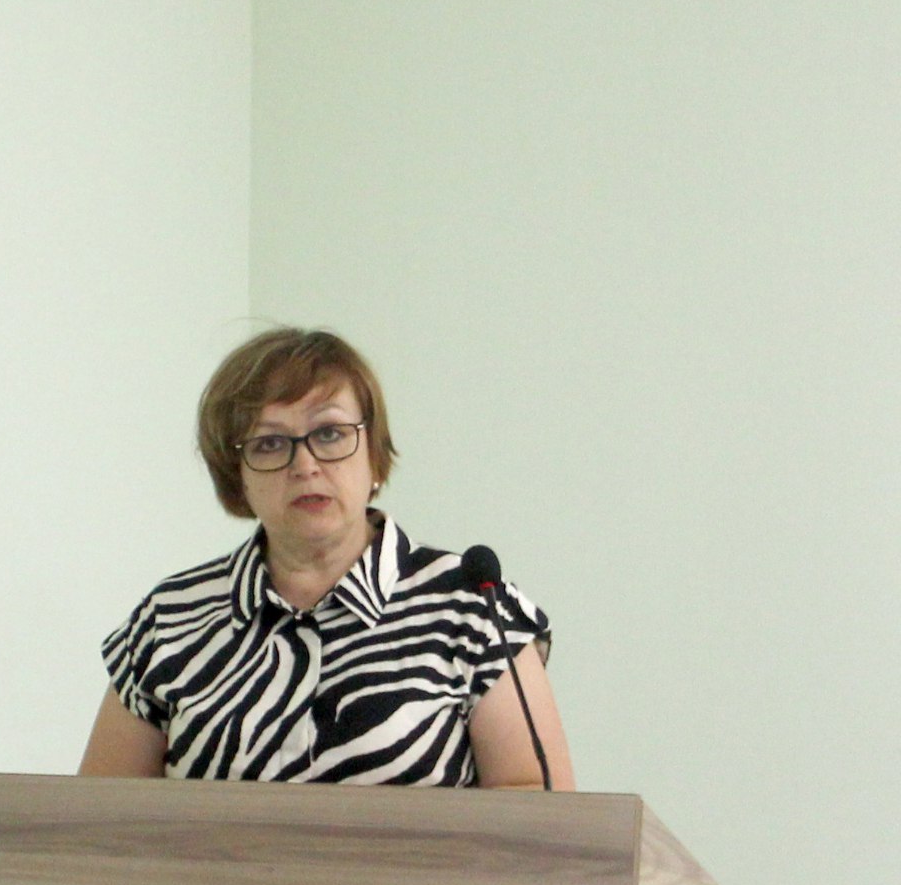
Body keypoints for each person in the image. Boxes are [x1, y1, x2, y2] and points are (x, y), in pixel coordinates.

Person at [79, 327, 575, 788]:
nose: (305, 464)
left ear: (373, 454)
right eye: (270, 443)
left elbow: (539, 809)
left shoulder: (473, 608)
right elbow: (98, 822)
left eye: (330, 434)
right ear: (237, 474)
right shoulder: (170, 620)